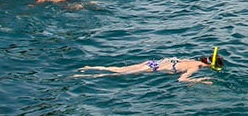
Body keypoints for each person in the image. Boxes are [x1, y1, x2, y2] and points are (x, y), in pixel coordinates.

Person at [78, 49, 225, 84]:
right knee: (119, 74)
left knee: (120, 69)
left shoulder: (192, 61)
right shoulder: (195, 68)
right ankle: (90, 75)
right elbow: (181, 80)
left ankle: (90, 67)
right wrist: (201, 80)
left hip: (152, 63)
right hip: (153, 69)